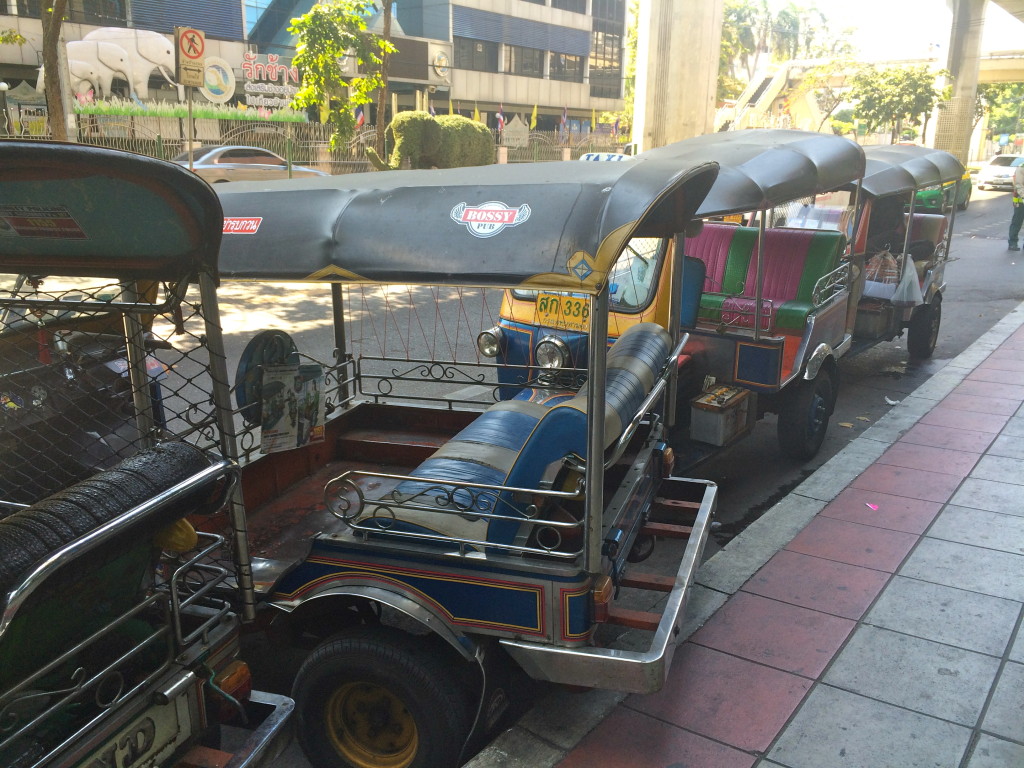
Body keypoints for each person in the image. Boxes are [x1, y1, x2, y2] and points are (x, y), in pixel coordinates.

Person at [1009, 161, 1024, 251]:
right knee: (1017, 222)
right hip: (1020, 200)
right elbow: (1019, 185)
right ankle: (1013, 243)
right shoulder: (1021, 168)